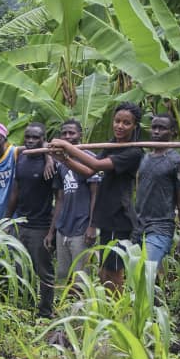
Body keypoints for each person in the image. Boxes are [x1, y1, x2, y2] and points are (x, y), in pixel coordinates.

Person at [49, 102, 145, 291]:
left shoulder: (133, 152)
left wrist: (67, 146)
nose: (120, 126)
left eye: (126, 123)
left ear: (135, 126)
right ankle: (108, 311)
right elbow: (89, 170)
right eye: (117, 121)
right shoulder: (110, 146)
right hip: (107, 218)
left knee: (113, 272)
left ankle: (118, 315)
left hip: (120, 217)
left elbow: (97, 164)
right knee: (104, 271)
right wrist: (65, 160)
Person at [3, 123, 56, 318]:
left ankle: (45, 312)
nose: (31, 141)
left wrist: (52, 231)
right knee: (20, 268)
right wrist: (7, 220)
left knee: (43, 270)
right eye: (28, 137)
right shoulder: (22, 157)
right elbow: (15, 191)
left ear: (43, 139)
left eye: (35, 138)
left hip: (40, 226)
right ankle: (25, 308)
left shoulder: (50, 162)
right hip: (21, 223)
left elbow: (60, 199)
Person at [43, 119, 99, 302]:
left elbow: (95, 195)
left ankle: (82, 318)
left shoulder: (90, 158)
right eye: (64, 134)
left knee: (80, 278)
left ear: (80, 135)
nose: (67, 137)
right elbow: (59, 199)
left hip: (82, 227)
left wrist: (92, 226)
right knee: (63, 274)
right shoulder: (60, 163)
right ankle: (65, 316)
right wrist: (52, 231)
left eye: (72, 133)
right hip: (63, 228)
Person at [133, 114, 180, 265]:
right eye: (154, 127)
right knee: (135, 274)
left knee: (147, 270)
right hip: (138, 226)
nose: (156, 132)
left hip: (160, 228)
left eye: (162, 128)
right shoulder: (145, 158)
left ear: (172, 132)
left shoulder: (175, 161)